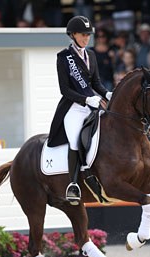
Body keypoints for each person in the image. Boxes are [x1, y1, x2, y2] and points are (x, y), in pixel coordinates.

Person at [47, 16, 113, 204]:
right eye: (83, 35)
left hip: (91, 105)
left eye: (88, 35)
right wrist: (86, 99)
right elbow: (65, 90)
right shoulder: (63, 57)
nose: (86, 38)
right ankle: (73, 184)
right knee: (76, 140)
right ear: (73, 35)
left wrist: (106, 94)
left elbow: (96, 83)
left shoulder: (91, 55)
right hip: (73, 108)